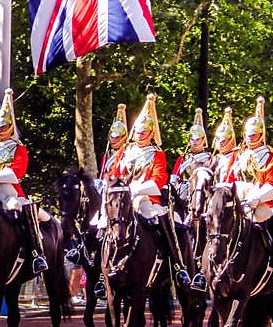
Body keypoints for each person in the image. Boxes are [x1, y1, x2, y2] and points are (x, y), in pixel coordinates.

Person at [120, 93, 191, 290]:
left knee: (163, 220)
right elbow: (116, 173)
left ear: (151, 133)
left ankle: (177, 264)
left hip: (146, 197)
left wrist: (136, 189)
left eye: (144, 132)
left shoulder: (157, 153)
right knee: (101, 222)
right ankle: (97, 266)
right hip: (123, 197)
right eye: (138, 131)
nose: (140, 135)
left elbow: (159, 178)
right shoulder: (125, 152)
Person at [0, 87, 48, 275]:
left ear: (10, 127)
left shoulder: (19, 148)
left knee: (18, 207)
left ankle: (36, 253)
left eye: (3, 127)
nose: (0, 130)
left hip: (8, 190)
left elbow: (17, 172)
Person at [232, 96, 273, 292]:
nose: (250, 138)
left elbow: (272, 185)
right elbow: (230, 179)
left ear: (261, 134)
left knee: (270, 223)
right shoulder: (238, 154)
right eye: (248, 134)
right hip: (238, 201)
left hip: (259, 202)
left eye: (254, 135)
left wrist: (257, 197)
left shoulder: (270, 156)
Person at [91, 103, 131, 299]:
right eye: (112, 136)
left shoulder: (130, 153)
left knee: (157, 218)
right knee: (95, 225)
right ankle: (96, 268)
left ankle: (177, 265)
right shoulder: (108, 156)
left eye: (117, 137)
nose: (114, 139)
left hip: (132, 193)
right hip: (110, 196)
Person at [169, 107, 212, 223]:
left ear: (203, 140)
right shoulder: (182, 159)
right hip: (183, 194)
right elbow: (174, 178)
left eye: (198, 139)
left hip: (202, 193)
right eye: (192, 139)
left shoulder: (209, 158)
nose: (194, 142)